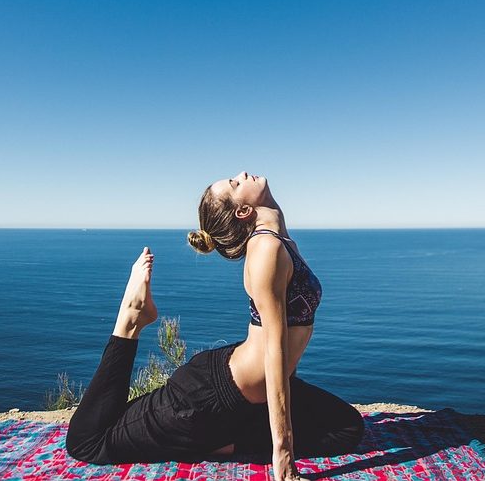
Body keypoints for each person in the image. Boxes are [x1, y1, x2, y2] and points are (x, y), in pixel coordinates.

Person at [65, 172, 364, 480]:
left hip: (246, 394)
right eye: (235, 184)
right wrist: (283, 458)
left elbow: (284, 351)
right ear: (243, 211)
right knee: (89, 442)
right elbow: (274, 353)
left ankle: (219, 440)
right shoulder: (266, 250)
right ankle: (130, 320)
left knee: (347, 428)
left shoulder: (281, 242)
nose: (242, 175)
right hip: (206, 398)